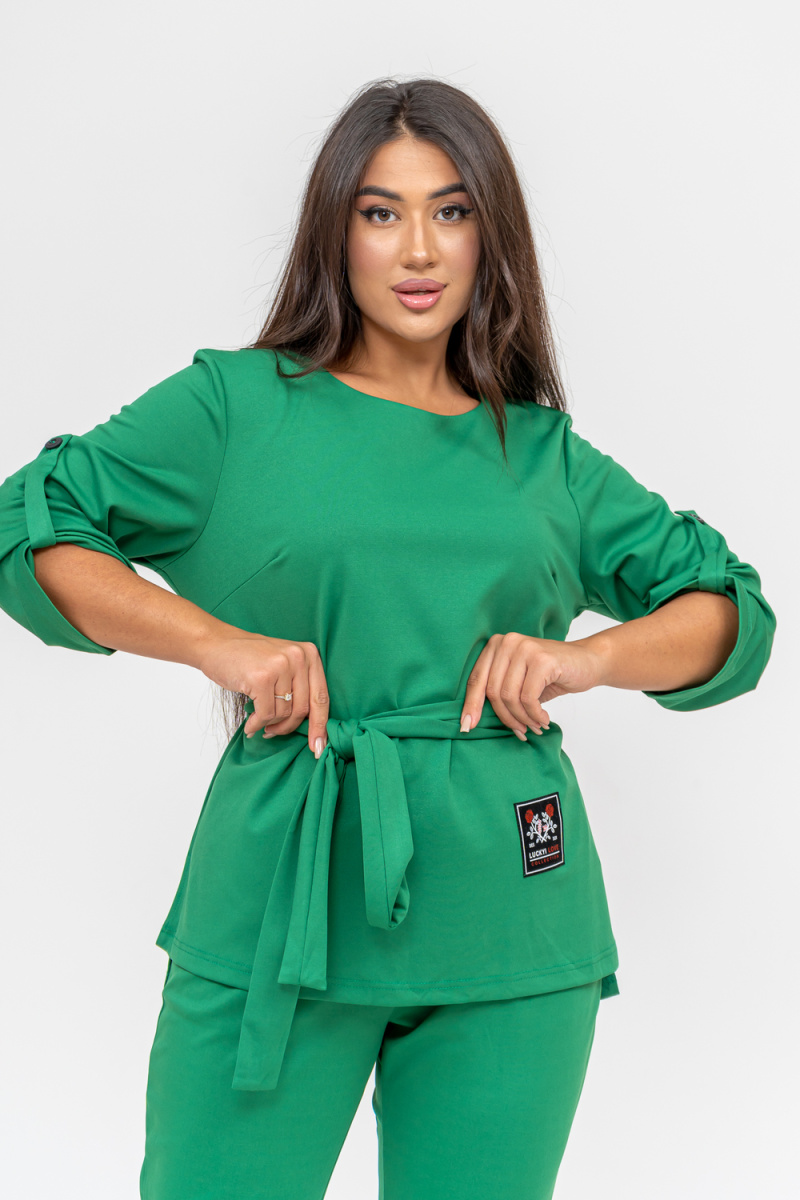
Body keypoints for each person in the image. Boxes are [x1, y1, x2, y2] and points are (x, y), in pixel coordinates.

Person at [0, 76, 776, 1200]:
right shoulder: (233, 408)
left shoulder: (542, 455)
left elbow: (728, 608)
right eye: (380, 212)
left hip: (513, 907)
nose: (418, 248)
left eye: (451, 211)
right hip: (281, 898)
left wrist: (587, 659)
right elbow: (32, 523)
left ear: (489, 237)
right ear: (336, 231)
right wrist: (214, 643)